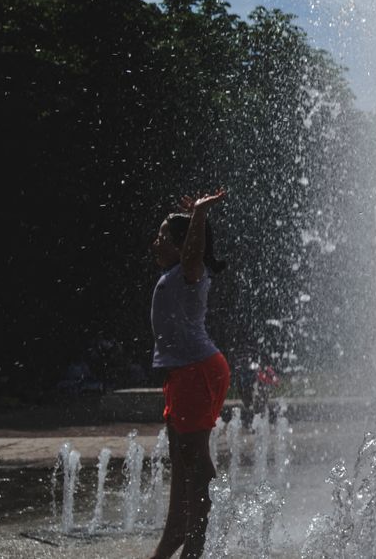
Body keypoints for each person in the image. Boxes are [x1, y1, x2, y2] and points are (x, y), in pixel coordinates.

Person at [147, 189, 230, 559]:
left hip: (197, 370)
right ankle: (175, 531)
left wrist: (198, 214)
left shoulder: (188, 272)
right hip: (182, 374)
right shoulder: (175, 274)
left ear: (182, 247)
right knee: (180, 459)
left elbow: (195, 251)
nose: (156, 242)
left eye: (163, 236)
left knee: (197, 464)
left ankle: (193, 544)